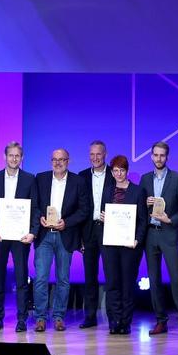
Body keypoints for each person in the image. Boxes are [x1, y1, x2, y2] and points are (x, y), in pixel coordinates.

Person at [139, 141, 178, 337]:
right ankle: (160, 321)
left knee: (176, 278)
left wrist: (171, 219)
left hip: (169, 233)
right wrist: (144, 202)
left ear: (167, 157)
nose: (159, 158)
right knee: (154, 280)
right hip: (150, 234)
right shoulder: (145, 179)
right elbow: (139, 208)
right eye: (155, 155)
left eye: (162, 155)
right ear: (151, 156)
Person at [0, 141, 39, 333]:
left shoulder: (30, 179)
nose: (14, 159)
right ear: (5, 157)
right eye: (11, 155)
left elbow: (35, 208)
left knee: (22, 279)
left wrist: (32, 232)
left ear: (22, 158)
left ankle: (22, 319)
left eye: (17, 156)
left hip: (21, 237)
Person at [34, 148, 87, 332]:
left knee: (63, 279)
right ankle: (40, 318)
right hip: (44, 235)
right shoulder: (41, 178)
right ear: (51, 161)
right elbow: (34, 205)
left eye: (62, 159)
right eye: (55, 159)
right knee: (41, 278)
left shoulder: (78, 182)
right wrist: (40, 217)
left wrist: (67, 223)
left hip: (66, 235)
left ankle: (58, 317)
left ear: (68, 161)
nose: (58, 163)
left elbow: (84, 210)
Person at [101, 155, 148, 335]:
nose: (118, 174)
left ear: (127, 171)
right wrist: (104, 217)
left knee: (127, 284)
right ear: (111, 172)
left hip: (130, 245)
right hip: (111, 243)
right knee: (112, 283)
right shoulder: (107, 190)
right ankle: (114, 321)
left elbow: (143, 220)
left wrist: (137, 239)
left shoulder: (138, 191)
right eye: (115, 170)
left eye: (121, 170)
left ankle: (125, 322)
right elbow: (104, 214)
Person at [76, 140, 114, 329]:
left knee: (111, 275)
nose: (95, 158)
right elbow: (77, 207)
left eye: (98, 154)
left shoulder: (114, 174)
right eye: (92, 154)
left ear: (105, 154)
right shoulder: (82, 176)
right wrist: (79, 238)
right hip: (88, 231)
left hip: (110, 230)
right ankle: (90, 316)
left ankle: (113, 317)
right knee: (90, 276)